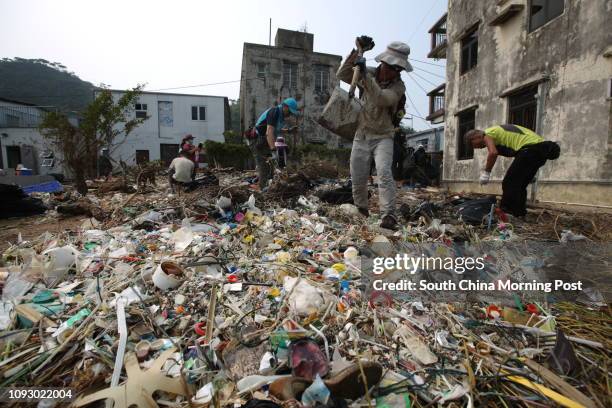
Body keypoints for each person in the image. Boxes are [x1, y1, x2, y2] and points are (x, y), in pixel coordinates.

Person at [337, 39, 412, 230]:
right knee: (358, 175)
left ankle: (388, 215)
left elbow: (381, 99)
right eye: (393, 67)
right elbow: (343, 73)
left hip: (384, 136)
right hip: (361, 134)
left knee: (384, 173)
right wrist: (356, 53)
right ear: (383, 63)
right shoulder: (367, 71)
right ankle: (361, 209)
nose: (396, 72)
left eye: (398, 69)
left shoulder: (398, 87)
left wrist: (365, 76)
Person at [467, 124, 561, 217]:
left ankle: (507, 212)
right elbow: (511, 152)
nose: (476, 148)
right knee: (520, 185)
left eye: (473, 144)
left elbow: (493, 153)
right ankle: (519, 213)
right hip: (539, 151)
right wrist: (525, 172)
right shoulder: (498, 136)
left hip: (529, 150)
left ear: (476, 137)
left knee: (509, 183)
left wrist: (486, 173)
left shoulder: (487, 134)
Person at [250, 98, 299, 189]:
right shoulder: (274, 112)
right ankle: (262, 191)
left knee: (270, 167)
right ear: (285, 107)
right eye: (290, 112)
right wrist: (273, 149)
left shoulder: (280, 116)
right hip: (258, 141)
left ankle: (268, 187)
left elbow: (276, 129)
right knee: (264, 166)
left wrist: (288, 130)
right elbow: (269, 132)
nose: (290, 114)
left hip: (265, 142)